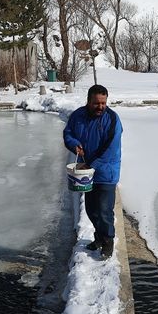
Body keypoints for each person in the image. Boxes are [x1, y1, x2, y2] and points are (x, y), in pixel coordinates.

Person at [63, 84, 123, 259]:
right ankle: (99, 237)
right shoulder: (77, 116)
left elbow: (110, 149)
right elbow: (68, 133)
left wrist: (91, 165)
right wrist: (74, 144)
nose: (101, 107)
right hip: (86, 172)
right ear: (88, 101)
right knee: (91, 209)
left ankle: (108, 241)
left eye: (103, 103)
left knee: (104, 209)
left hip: (106, 172)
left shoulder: (112, 119)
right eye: (96, 103)